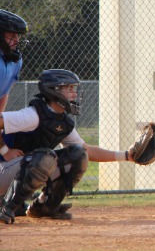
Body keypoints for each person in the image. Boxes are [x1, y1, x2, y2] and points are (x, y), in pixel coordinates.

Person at [0, 69, 141, 223]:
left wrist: (127, 156)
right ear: (54, 90)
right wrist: (5, 150)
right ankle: (6, 208)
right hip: (3, 169)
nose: (75, 93)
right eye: (70, 88)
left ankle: (44, 206)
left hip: (16, 172)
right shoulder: (32, 115)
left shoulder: (62, 122)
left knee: (78, 155)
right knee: (45, 158)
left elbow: (88, 151)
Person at [0, 10, 28, 114]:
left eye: (17, 36)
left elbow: (3, 92)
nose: (17, 40)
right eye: (12, 36)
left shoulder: (16, 61)